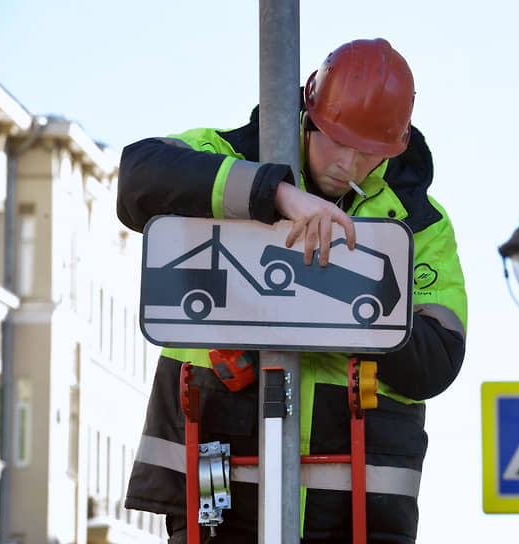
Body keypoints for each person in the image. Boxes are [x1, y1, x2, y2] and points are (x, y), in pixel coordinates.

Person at [116, 38, 467, 543]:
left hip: (355, 511)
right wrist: (273, 194)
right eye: (335, 140)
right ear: (308, 110)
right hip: (217, 482)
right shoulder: (228, 155)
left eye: (368, 153)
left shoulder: (421, 226)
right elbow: (137, 178)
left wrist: (322, 310)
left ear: (396, 145)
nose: (347, 162)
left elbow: (437, 357)